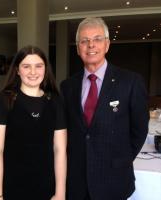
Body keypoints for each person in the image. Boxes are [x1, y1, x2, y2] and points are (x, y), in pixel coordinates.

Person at [60, 17, 149, 200]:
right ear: (78, 48)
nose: (90, 45)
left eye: (97, 39)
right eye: (84, 41)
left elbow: (140, 130)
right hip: (77, 182)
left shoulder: (130, 82)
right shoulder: (67, 86)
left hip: (114, 180)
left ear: (107, 45)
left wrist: (122, 160)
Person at [0, 45, 67, 200]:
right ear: (17, 70)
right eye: (26, 66)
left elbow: (60, 150)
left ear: (45, 69)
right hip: (12, 187)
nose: (33, 72)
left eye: (38, 66)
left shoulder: (55, 102)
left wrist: (60, 192)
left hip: (47, 187)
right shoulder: (4, 100)